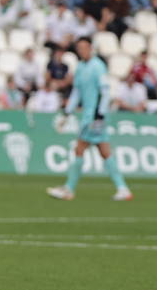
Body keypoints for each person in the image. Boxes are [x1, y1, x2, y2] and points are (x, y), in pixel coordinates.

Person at [46, 36, 133, 202]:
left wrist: (99, 114)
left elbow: (105, 91)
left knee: (80, 149)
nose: (82, 50)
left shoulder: (98, 67)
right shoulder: (80, 67)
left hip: (94, 116)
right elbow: (76, 92)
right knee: (104, 151)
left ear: (91, 48)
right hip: (88, 115)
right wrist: (67, 112)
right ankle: (122, 188)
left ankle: (69, 189)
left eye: (85, 47)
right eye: (79, 48)